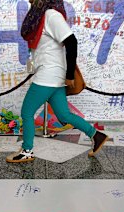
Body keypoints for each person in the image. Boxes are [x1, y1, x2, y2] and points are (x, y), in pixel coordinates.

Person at [6, 0, 108, 163]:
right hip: (51, 74)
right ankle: (96, 135)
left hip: (49, 74)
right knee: (63, 114)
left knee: (27, 112)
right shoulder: (40, 17)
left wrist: (70, 75)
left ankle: (27, 151)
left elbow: (71, 41)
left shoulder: (51, 15)